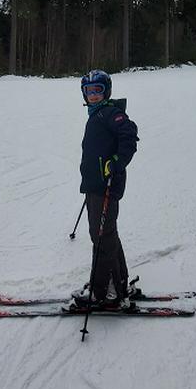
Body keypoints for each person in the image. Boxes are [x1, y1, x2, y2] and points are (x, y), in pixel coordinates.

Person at [72, 70, 139, 310]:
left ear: (106, 91)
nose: (92, 95)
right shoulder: (97, 114)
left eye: (97, 91)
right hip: (96, 185)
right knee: (106, 234)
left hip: (106, 186)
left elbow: (129, 136)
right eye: (89, 91)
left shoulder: (111, 113)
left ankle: (102, 293)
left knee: (101, 237)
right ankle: (119, 285)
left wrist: (116, 162)